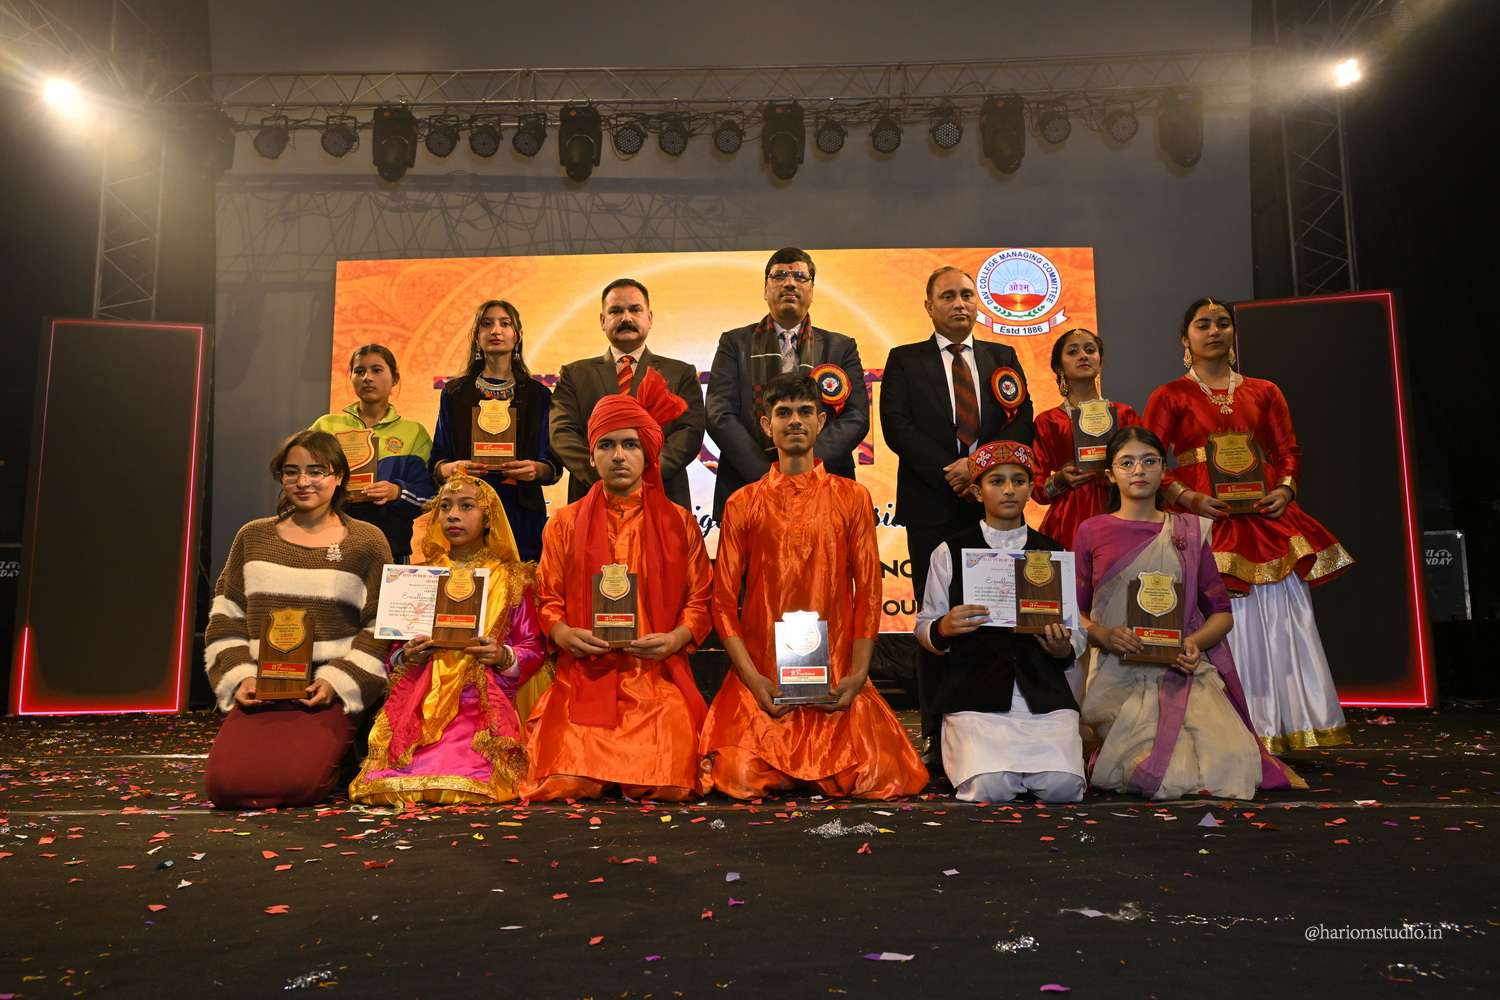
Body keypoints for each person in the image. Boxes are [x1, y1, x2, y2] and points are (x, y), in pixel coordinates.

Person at [701, 373, 928, 800]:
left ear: (821, 422)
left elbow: (869, 592)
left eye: (805, 412)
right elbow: (723, 602)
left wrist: (857, 675)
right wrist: (753, 680)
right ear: (766, 425)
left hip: (836, 678)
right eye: (783, 413)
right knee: (738, 777)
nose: (795, 421)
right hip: (763, 680)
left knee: (880, 776)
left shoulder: (852, 497)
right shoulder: (742, 503)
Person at [1145, 297, 1354, 753]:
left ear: (1233, 334)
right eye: (1203, 324)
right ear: (1185, 339)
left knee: (1280, 615)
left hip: (1265, 518)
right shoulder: (1170, 395)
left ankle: (1285, 727)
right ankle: (1227, 735)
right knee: (1223, 618)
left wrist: (1285, 489)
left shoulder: (1265, 391)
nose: (1214, 331)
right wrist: (1189, 498)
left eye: (1223, 323)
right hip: (1206, 521)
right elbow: (1149, 459)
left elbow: (1287, 451)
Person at [1073, 426, 1305, 800]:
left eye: (1149, 461)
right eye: (1126, 463)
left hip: (1182, 671)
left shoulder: (1187, 530)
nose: (1138, 470)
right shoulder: (1092, 531)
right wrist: (1104, 635)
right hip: (1118, 676)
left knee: (1232, 762)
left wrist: (1193, 644)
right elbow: (1075, 611)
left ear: (1163, 470)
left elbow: (1222, 614)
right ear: (1110, 475)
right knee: (1157, 773)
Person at [521, 369, 712, 801]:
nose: (619, 455)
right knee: (565, 782)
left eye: (630, 444)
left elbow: (700, 600)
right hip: (585, 673)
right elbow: (548, 597)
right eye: (606, 445)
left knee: (669, 783)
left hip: (655, 675)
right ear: (591, 457)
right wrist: (563, 633)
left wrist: (675, 639)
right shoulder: (564, 523)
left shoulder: (679, 523)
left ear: (648, 454)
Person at [879, 265, 1035, 767]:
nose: (959, 303)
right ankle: (933, 730)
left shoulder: (1001, 357)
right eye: (947, 296)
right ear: (929, 306)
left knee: (998, 615)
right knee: (936, 621)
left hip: (995, 510)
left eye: (967, 294)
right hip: (931, 505)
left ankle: (1003, 718)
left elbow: (1022, 420)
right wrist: (954, 472)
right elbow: (897, 428)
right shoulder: (905, 359)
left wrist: (980, 467)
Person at [203, 430, 391, 808]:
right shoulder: (253, 536)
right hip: (263, 687)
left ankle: (345, 753)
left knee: (296, 785)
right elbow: (227, 616)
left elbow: (380, 626)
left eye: (316, 471)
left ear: (339, 477)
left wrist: (337, 682)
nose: (303, 482)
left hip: (325, 692)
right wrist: (241, 677)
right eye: (292, 472)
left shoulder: (367, 541)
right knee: (225, 787)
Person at [349, 476, 544, 805]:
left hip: (480, 699)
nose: (453, 515)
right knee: (388, 781)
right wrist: (406, 654)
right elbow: (393, 653)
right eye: (445, 507)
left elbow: (533, 649)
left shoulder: (512, 578)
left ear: (488, 518)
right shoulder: (418, 577)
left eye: (466, 506)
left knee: (472, 777)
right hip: (421, 697)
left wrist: (502, 655)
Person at [915, 441, 1086, 803]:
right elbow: (925, 626)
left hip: (1041, 696)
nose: (1009, 490)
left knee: (1063, 788)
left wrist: (1063, 646)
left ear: (1030, 488)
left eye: (1018, 481)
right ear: (978, 491)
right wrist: (944, 627)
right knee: (990, 787)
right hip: (976, 697)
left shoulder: (1053, 552)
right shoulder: (950, 551)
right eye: (997, 481)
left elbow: (1077, 632)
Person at [705, 247, 869, 522]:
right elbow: (719, 413)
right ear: (765, 288)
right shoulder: (734, 343)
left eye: (800, 277)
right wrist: (766, 476)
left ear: (812, 290)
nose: (790, 283)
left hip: (826, 486)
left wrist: (806, 469)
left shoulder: (840, 347)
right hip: (748, 485)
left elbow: (857, 416)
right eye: (779, 275)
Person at [550, 277, 706, 511]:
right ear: (602, 320)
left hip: (663, 495)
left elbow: (689, 433)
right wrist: (607, 475)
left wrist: (644, 475)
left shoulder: (680, 373)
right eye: (615, 311)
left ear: (649, 318)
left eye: (635, 309)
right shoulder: (574, 374)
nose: (626, 318)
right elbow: (562, 433)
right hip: (592, 497)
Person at [430, 299, 560, 562]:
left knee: (519, 583)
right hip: (465, 511)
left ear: (518, 335)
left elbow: (553, 467)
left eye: (505, 324)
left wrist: (535, 469)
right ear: (477, 336)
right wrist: (453, 468)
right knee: (467, 584)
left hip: (521, 510)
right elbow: (437, 463)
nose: (496, 331)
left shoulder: (538, 395)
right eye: (486, 324)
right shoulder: (455, 393)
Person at [309, 344, 435, 563]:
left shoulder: (414, 433)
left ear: (395, 378)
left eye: (376, 370)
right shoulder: (326, 426)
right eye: (359, 371)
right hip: (331, 545)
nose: (367, 377)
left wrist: (397, 492)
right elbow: (303, 478)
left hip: (390, 548)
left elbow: (430, 496)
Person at [1031, 328, 1140, 550]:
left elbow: (1147, 468)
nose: (1083, 356)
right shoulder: (1049, 421)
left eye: (1090, 350)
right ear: (1059, 367)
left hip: (1120, 511)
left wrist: (1120, 472)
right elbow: (1035, 487)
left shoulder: (1124, 415)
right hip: (1069, 520)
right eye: (1073, 352)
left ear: (1100, 363)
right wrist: (1060, 480)